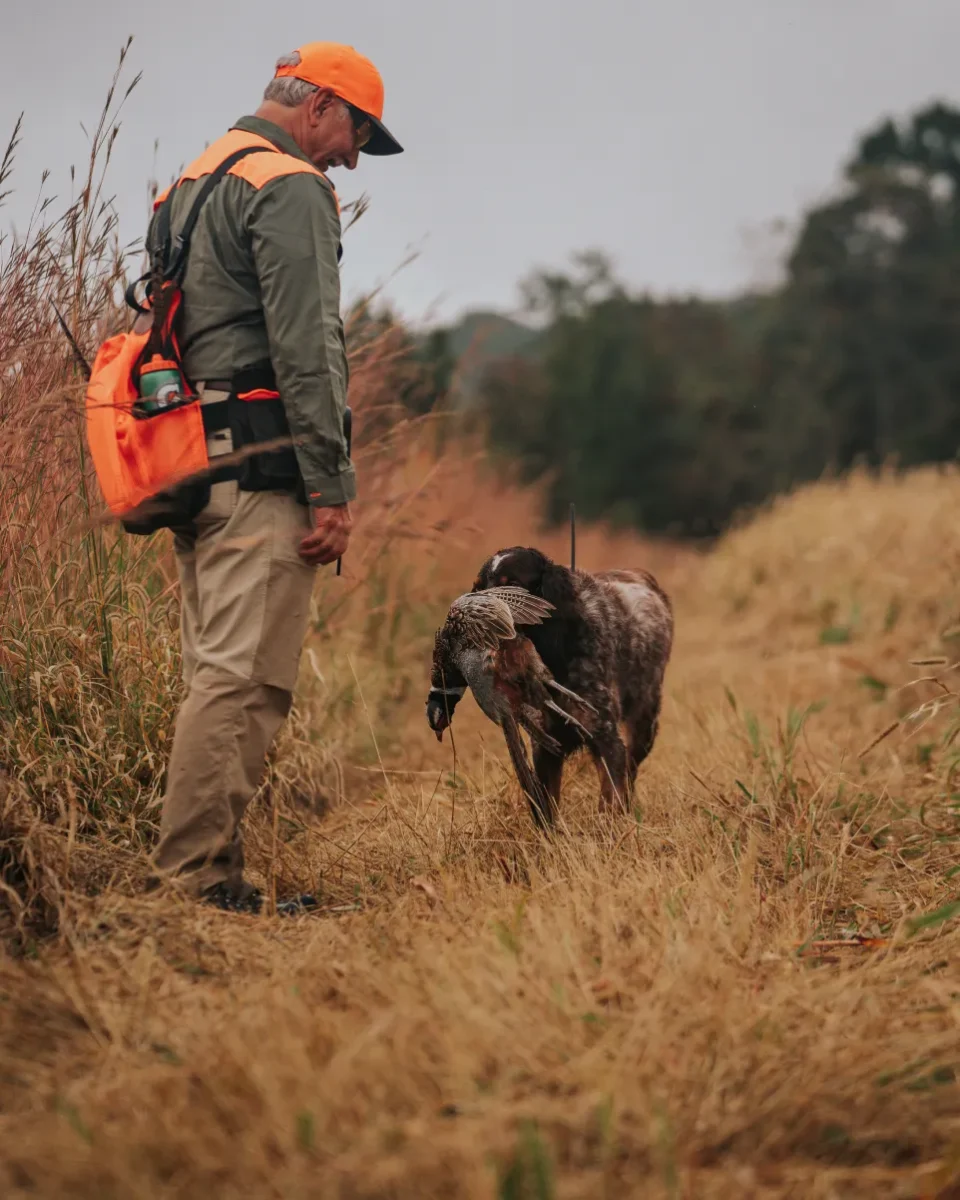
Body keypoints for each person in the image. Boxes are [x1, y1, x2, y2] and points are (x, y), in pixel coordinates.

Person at [146, 42, 403, 914]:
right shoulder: (288, 186)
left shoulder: (193, 179)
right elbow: (308, 350)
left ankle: (215, 876)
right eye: (356, 131)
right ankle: (194, 889)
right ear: (321, 107)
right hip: (260, 469)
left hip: (194, 462)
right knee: (244, 681)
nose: (352, 156)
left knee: (216, 671)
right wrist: (331, 486)